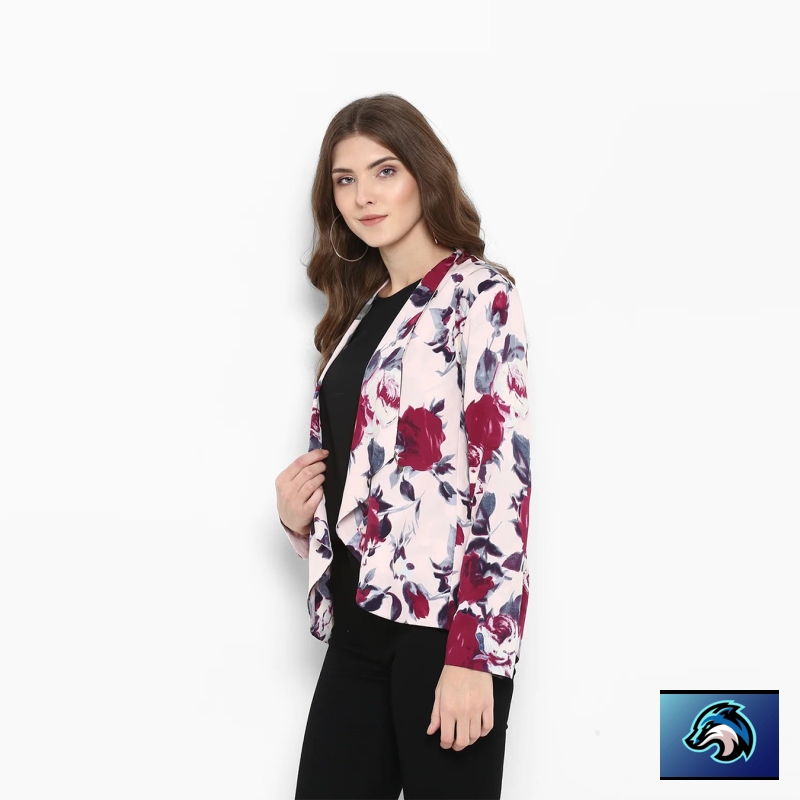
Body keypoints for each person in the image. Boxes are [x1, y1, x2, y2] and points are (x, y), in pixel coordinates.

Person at [274, 93, 531, 800]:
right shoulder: (361, 313)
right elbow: (372, 476)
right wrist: (298, 518)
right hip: (357, 624)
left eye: (383, 171)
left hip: (442, 633)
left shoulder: (478, 296)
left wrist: (475, 656)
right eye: (345, 179)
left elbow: (502, 485)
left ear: (423, 173)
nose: (363, 195)